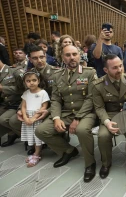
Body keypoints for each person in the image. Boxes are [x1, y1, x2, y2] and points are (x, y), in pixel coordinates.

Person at [35, 45, 97, 182]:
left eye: (74, 54)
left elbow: (91, 98)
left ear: (79, 55)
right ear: (62, 57)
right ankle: (69, 150)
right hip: (66, 112)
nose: (72, 57)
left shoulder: (89, 73)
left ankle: (90, 163)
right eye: (68, 55)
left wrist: (78, 118)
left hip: (86, 112)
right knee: (41, 130)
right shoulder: (57, 75)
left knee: (81, 130)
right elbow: (56, 99)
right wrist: (56, 118)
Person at [92, 54, 126, 182]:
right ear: (106, 70)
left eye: (121, 66)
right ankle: (106, 164)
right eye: (115, 68)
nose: (120, 70)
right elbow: (99, 108)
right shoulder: (98, 85)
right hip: (109, 114)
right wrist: (107, 122)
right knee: (103, 136)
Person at [18, 71, 49, 167]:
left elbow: (44, 107)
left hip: (37, 118)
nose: (31, 83)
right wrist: (26, 117)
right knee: (31, 136)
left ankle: (37, 154)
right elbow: (23, 106)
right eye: (28, 81)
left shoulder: (43, 92)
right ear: (25, 83)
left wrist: (33, 118)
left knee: (37, 137)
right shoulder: (26, 93)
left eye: (34, 80)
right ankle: (35, 151)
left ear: (38, 81)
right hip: (28, 118)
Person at [0, 59, 25, 147]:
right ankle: (13, 133)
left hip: (17, 102)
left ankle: (30, 138)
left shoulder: (15, 71)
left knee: (4, 119)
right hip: (5, 103)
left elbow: (25, 89)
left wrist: (3, 88)